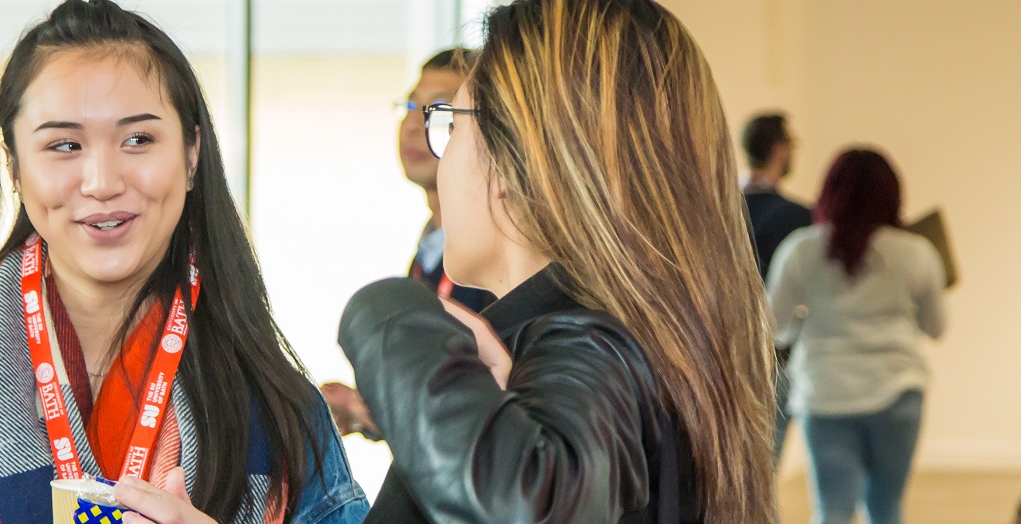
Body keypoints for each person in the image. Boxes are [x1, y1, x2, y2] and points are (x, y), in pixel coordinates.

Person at [0, 1, 368, 523]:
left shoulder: (281, 410)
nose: (102, 181)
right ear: (15, 168)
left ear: (192, 156)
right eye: (64, 145)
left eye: (138, 140)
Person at [338, 0, 778, 521]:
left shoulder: (588, 339)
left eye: (450, 124)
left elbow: (527, 505)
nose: (442, 152)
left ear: (513, 160)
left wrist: (389, 313)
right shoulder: (605, 340)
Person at [321, 48, 495, 440]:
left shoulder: (493, 262)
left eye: (438, 109)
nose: (414, 125)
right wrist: (367, 409)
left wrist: (373, 410)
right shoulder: (430, 250)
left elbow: (477, 416)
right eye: (410, 106)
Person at [766, 148, 947, 524]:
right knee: (886, 508)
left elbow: (775, 326)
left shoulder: (801, 250)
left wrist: (808, 320)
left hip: (825, 393)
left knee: (831, 509)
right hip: (898, 392)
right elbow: (936, 328)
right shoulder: (916, 253)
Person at [740, 112, 812, 462]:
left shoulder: (713, 211)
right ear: (780, 150)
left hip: (713, 356)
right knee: (765, 474)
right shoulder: (801, 220)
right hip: (774, 359)